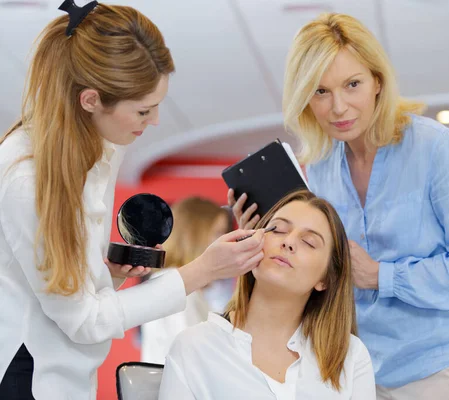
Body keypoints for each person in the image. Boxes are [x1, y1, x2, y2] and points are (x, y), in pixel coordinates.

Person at [228, 12, 449, 400]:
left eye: (352, 85)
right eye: (320, 91)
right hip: (360, 370)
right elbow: (324, 274)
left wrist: (381, 275)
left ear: (378, 81)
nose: (338, 107)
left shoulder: (435, 147)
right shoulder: (322, 168)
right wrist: (263, 238)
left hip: (444, 365)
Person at [0, 3, 265, 399]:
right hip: (31, 376)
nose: (155, 120)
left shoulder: (100, 148)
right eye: (143, 109)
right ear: (90, 100)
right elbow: (82, 321)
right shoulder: (26, 179)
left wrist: (109, 275)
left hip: (70, 371)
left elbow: (68, 292)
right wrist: (200, 272)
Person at [160, 189, 375, 399]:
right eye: (278, 229)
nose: (288, 242)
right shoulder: (193, 347)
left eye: (309, 242)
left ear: (325, 279)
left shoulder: (350, 357)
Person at [141, 197, 236, 364]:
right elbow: (197, 356)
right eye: (218, 232)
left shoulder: (183, 286)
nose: (225, 241)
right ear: (194, 235)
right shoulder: (175, 285)